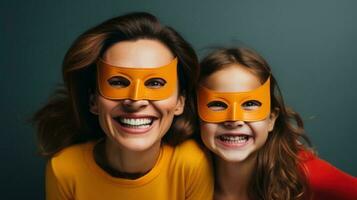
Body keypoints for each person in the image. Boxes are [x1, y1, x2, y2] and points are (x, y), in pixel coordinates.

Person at [32, 12, 213, 200]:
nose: (135, 100)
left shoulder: (190, 164)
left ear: (179, 102)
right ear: (93, 100)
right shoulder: (64, 169)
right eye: (118, 82)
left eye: (155, 83)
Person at [196, 47, 357, 200]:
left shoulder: (305, 172)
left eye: (250, 104)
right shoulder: (181, 172)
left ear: (271, 119)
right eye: (217, 105)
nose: (234, 120)